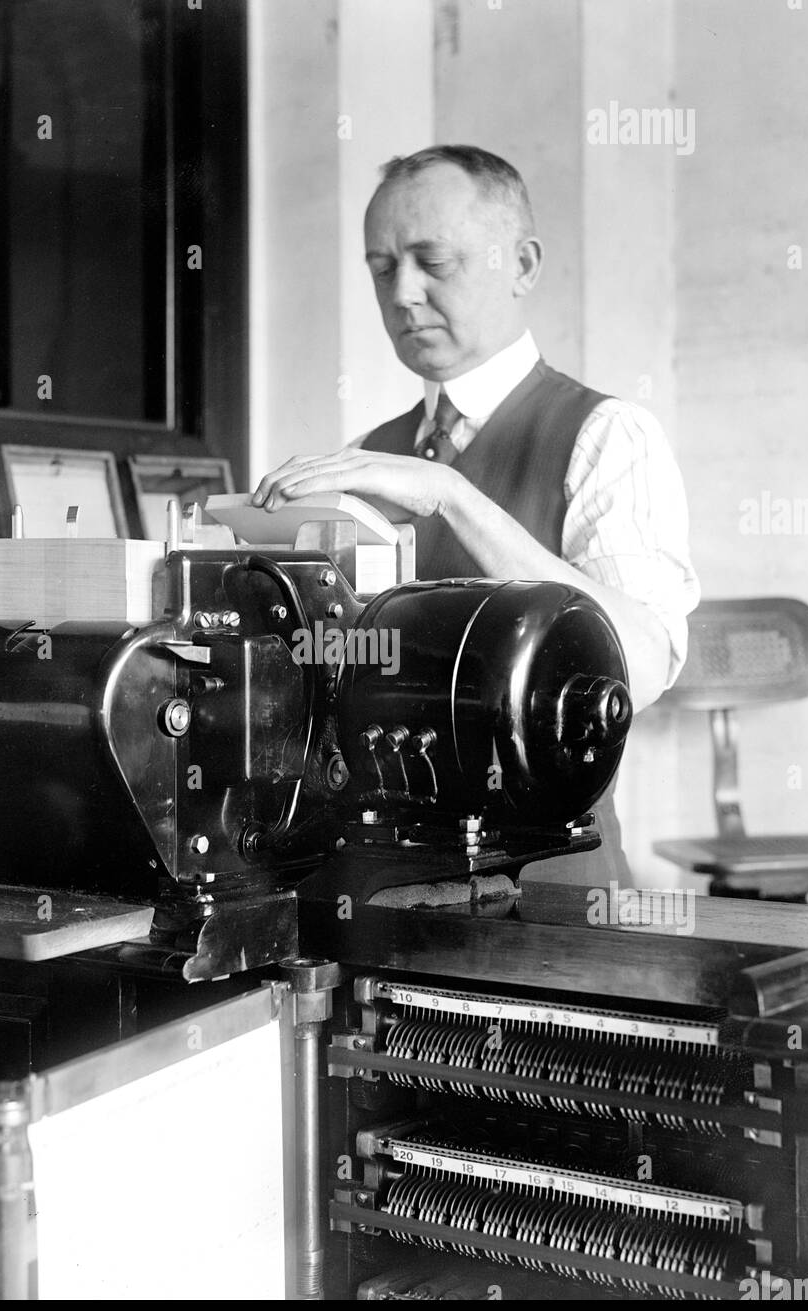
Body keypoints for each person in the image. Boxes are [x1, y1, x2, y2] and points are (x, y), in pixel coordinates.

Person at [252, 145, 699, 885]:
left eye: (434, 260)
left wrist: (450, 495)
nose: (403, 293)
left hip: (554, 893)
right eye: (381, 267)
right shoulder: (366, 455)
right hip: (381, 889)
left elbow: (642, 668)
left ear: (521, 265)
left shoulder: (606, 436)